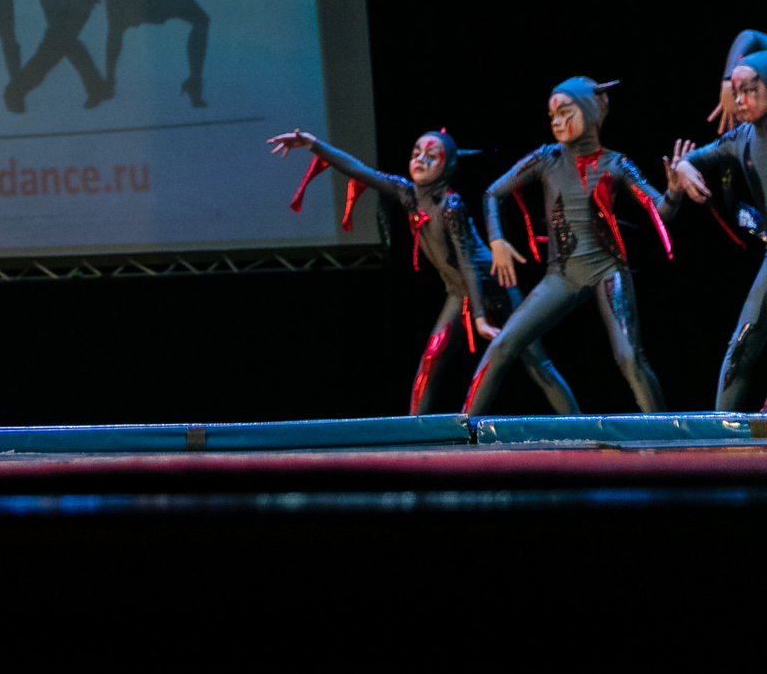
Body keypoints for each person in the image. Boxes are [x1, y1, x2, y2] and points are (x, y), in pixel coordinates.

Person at [269, 126, 575, 414]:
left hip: (495, 289)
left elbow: (469, 263)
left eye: (431, 157)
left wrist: (480, 318)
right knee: (431, 359)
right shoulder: (406, 192)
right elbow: (358, 170)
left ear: (447, 167)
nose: (420, 160)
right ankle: (415, 436)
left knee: (537, 363)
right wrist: (312, 144)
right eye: (417, 153)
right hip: (458, 292)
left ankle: (585, 428)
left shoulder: (451, 206)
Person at [464, 76, 700, 414]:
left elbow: (660, 210)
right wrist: (497, 239)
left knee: (629, 357)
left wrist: (675, 191)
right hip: (561, 276)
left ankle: (667, 441)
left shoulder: (616, 164)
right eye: (552, 116)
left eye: (565, 112)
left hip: (607, 271)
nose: (557, 123)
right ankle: (461, 430)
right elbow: (492, 193)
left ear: (589, 110)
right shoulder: (546, 158)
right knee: (503, 345)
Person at [667, 48, 766, 411]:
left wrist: (727, 77)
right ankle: (721, 446)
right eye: (735, 92)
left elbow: (751, 35)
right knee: (741, 347)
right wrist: (685, 168)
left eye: (748, 91)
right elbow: (695, 157)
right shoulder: (741, 138)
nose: (738, 101)